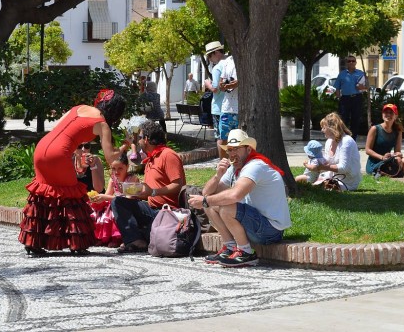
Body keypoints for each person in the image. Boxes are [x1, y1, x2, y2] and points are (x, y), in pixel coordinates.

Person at [18, 89, 126, 256]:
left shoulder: (79, 107)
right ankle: (77, 243)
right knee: (70, 196)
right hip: (59, 154)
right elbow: (111, 159)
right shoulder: (102, 124)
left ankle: (33, 241)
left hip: (41, 148)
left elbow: (58, 127)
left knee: (43, 195)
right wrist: (125, 146)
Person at [188, 129, 291, 267]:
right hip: (254, 224)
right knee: (211, 204)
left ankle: (246, 253)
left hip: (271, 231)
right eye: (229, 150)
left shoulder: (255, 166)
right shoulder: (234, 168)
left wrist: (205, 201)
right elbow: (207, 193)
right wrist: (218, 175)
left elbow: (235, 195)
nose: (232, 154)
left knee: (225, 205)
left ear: (248, 149)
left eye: (236, 149)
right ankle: (229, 247)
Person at [111, 120, 186, 253]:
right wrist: (139, 191)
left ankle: (139, 239)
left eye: (140, 137)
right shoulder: (151, 158)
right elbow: (149, 190)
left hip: (166, 212)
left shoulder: (168, 155)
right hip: (151, 209)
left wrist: (153, 192)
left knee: (120, 203)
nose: (138, 141)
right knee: (119, 202)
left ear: (146, 139)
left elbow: (178, 185)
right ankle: (136, 240)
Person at [90, 152, 140, 247]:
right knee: (98, 209)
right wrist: (98, 198)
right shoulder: (113, 179)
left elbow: (128, 199)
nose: (116, 172)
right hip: (115, 202)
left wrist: (105, 197)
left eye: (120, 168)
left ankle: (119, 238)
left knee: (115, 210)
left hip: (129, 205)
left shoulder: (132, 178)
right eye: (114, 169)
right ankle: (104, 237)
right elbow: (108, 195)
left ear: (127, 166)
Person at [305, 112, 362, 191]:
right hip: (332, 176)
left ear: (331, 127)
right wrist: (314, 163)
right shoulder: (329, 141)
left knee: (315, 189)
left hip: (347, 181)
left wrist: (322, 167)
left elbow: (343, 168)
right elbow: (327, 162)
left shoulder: (346, 141)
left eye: (324, 128)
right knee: (304, 181)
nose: (322, 130)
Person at [365, 103, 404, 177]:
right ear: (382, 114)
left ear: (395, 116)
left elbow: (397, 151)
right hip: (375, 162)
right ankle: (393, 174)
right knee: (398, 161)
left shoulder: (398, 131)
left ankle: (392, 174)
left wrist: (397, 154)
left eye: (391, 113)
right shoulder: (375, 129)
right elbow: (367, 150)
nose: (388, 114)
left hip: (388, 160)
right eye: (385, 112)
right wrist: (382, 157)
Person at [333, 55, 367, 140]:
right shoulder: (342, 74)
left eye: (353, 61)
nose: (351, 62)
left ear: (355, 62)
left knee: (356, 119)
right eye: (349, 61)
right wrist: (338, 97)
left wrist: (362, 88)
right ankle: (343, 138)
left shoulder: (360, 73)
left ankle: (353, 139)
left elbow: (367, 86)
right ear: (346, 63)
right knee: (343, 120)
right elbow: (337, 87)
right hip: (345, 99)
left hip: (357, 98)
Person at [204, 41, 228, 159]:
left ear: (216, 53)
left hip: (218, 107)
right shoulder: (231, 64)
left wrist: (207, 83)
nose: (209, 59)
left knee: (220, 137)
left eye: (210, 55)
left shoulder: (217, 68)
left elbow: (215, 89)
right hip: (231, 106)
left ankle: (222, 162)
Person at [219, 55, 239, 147]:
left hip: (241, 110)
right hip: (227, 108)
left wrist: (239, 83)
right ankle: (223, 161)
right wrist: (223, 85)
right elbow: (221, 83)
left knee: (241, 143)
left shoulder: (248, 57)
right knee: (224, 140)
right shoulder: (227, 61)